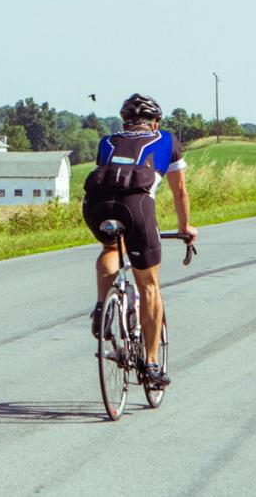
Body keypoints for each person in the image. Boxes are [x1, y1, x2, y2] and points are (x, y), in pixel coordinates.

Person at [82, 93, 197, 386]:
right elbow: (180, 191)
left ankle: (102, 306)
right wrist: (186, 227)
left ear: (124, 122)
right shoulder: (166, 140)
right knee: (149, 285)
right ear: (156, 122)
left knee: (111, 246)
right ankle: (152, 363)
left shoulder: (107, 141)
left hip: (96, 206)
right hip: (137, 207)